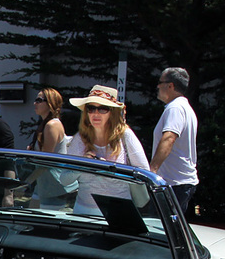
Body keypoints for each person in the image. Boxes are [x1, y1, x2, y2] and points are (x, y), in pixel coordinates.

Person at [67, 83, 150, 215]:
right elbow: (65, 179)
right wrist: (83, 163)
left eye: (103, 109)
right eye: (91, 108)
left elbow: (144, 173)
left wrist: (110, 170)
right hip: (83, 211)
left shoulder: (125, 135)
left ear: (112, 112)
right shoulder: (80, 139)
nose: (96, 113)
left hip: (118, 212)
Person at [150, 66, 199, 214]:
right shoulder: (184, 107)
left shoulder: (175, 108)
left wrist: (151, 172)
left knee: (164, 232)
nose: (158, 86)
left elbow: (169, 138)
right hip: (180, 183)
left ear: (170, 85)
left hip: (174, 184)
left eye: (160, 82)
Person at [27, 86, 73, 208]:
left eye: (39, 100)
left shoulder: (52, 125)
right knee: (31, 220)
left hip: (53, 188)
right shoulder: (46, 124)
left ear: (50, 103)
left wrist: (26, 182)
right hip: (43, 184)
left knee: (44, 225)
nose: (35, 103)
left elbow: (45, 162)